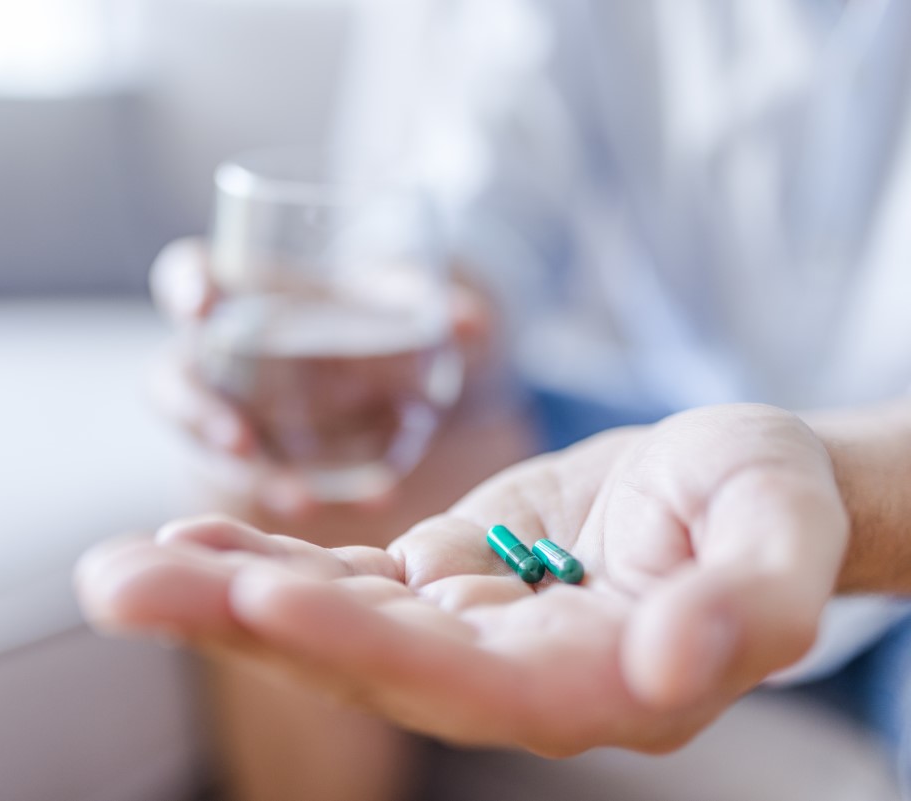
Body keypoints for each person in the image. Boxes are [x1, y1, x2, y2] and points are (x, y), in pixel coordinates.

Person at [80, 0, 911, 797]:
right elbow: (487, 209)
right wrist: (395, 332)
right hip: (670, 417)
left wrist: (861, 488)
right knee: (297, 454)